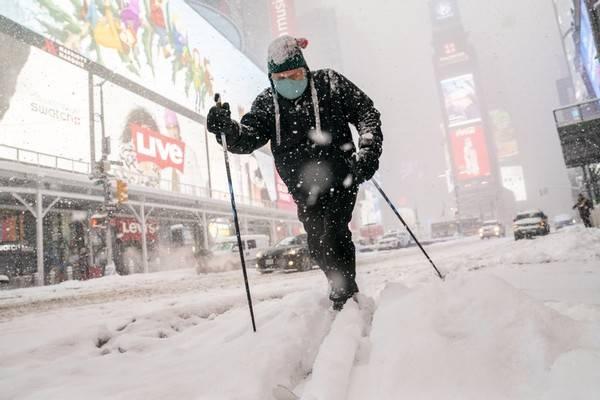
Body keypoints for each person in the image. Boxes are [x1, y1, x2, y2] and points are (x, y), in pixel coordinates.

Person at [207, 36, 383, 310]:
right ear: (271, 78)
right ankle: (339, 284)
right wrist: (228, 130)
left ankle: (344, 294)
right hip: (303, 187)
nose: (290, 81)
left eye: (296, 74)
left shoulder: (330, 84)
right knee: (317, 243)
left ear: (306, 69)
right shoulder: (267, 103)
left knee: (335, 233)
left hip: (342, 177)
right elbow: (248, 137)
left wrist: (368, 151)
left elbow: (366, 113)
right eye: (282, 77)